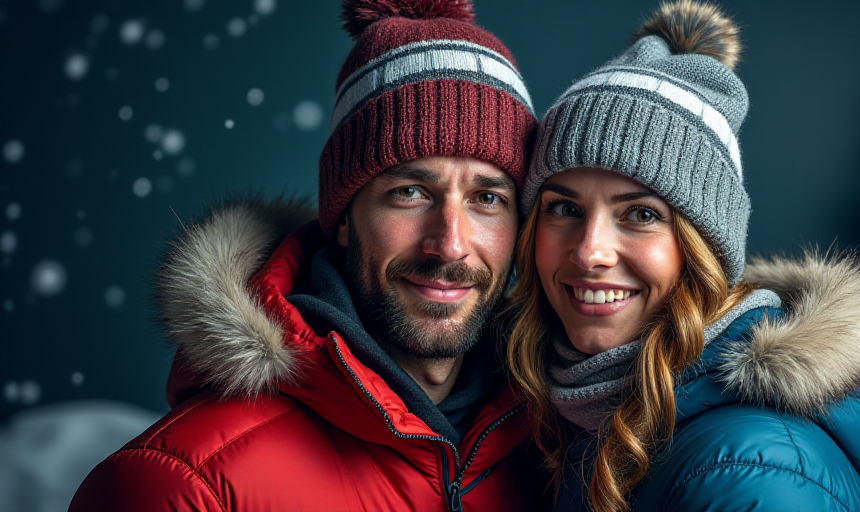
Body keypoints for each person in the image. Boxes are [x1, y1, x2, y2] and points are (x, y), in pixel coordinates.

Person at [70, 1, 538, 510]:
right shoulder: (181, 487)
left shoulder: (560, 456)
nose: (450, 243)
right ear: (341, 217)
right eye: (410, 193)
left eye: (487, 199)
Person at [505, 2, 860, 511]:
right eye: (564, 207)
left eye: (641, 215)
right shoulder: (581, 407)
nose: (590, 251)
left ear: (701, 247)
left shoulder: (749, 474)